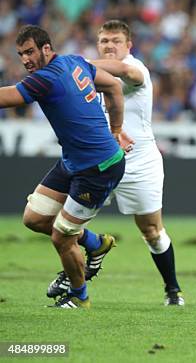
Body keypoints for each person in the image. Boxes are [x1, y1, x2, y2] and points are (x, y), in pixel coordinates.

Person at [46, 20, 184, 306]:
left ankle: (173, 290)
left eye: (115, 41)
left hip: (139, 162)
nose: (109, 45)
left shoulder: (135, 69)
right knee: (55, 219)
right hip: (98, 161)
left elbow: (123, 71)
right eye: (104, 41)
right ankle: (85, 261)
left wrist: (75, 62)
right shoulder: (85, 76)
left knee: (152, 231)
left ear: (128, 45)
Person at [4, 25, 129, 308]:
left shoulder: (45, 79)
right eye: (21, 54)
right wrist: (116, 130)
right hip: (73, 161)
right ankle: (96, 244)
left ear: (46, 48)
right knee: (34, 219)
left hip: (99, 168)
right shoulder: (74, 62)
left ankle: (79, 296)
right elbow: (113, 85)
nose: (25, 60)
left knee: (62, 237)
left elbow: (6, 98)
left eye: (30, 52)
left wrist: (115, 134)